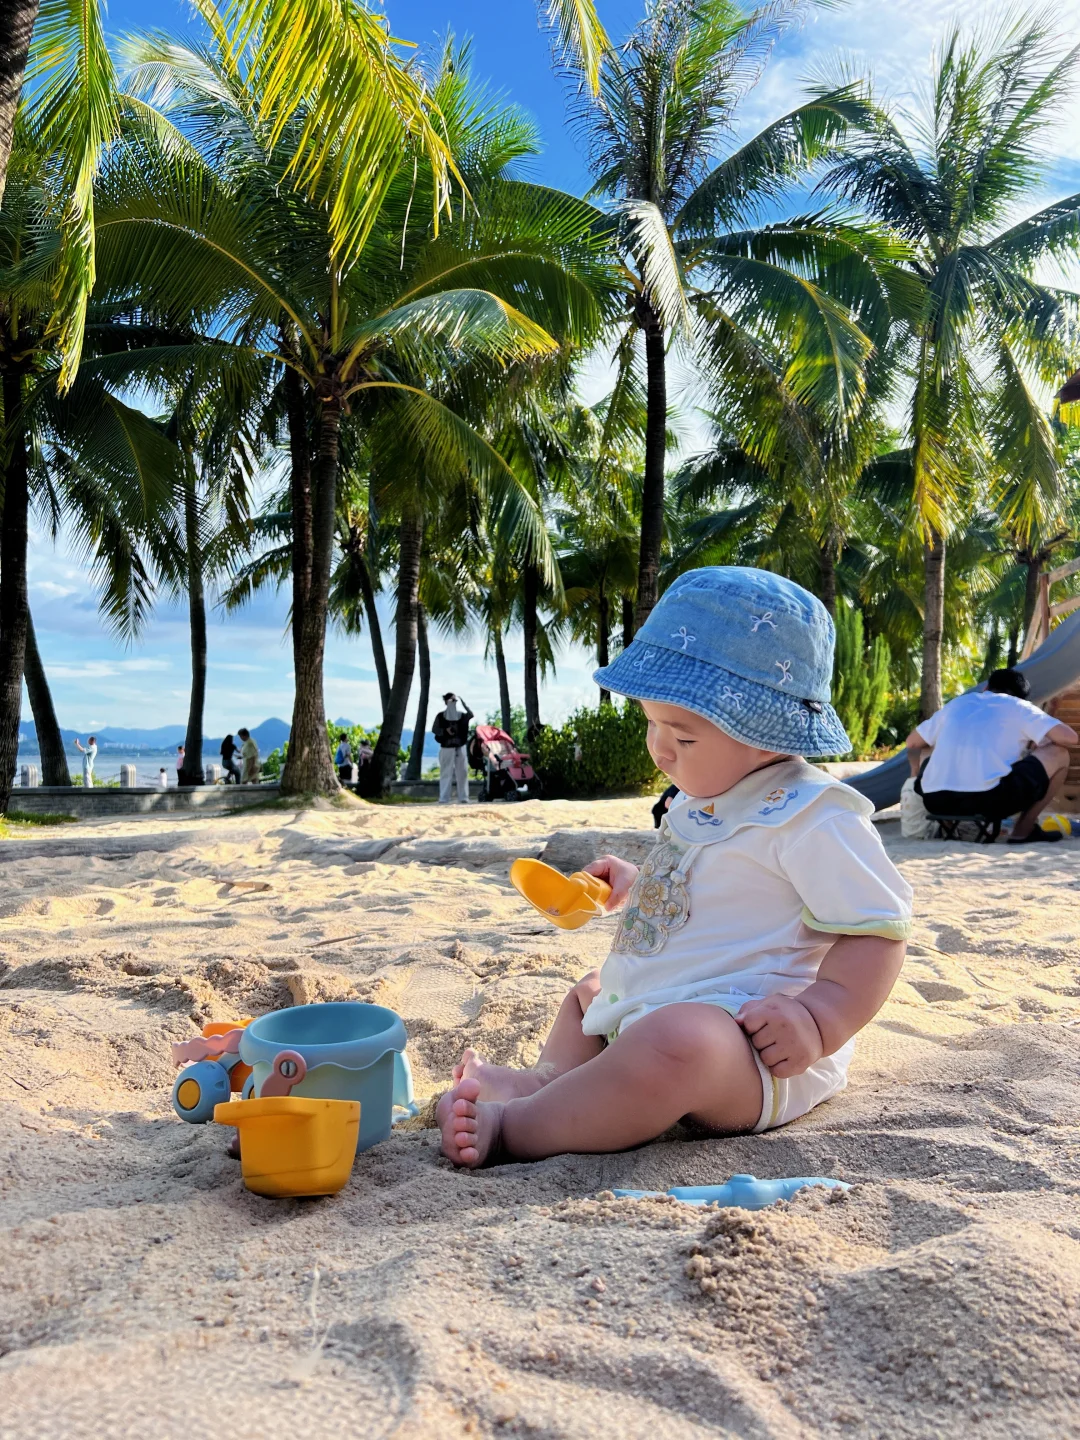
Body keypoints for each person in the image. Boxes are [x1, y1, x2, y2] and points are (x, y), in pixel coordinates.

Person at [438, 567, 912, 1168]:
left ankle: (518, 1128)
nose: (660, 749)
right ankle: (550, 1083)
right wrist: (643, 888)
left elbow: (878, 929)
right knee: (590, 997)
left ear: (764, 732)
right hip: (660, 1005)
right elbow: (718, 893)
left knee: (675, 1043)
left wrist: (819, 1020)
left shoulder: (814, 815)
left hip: (747, 1045)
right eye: (650, 724)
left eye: (683, 737)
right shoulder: (702, 796)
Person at [905, 668, 1078, 843]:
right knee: (1059, 754)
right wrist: (1042, 739)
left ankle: (949, 826)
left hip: (936, 802)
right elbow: (1070, 738)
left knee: (928, 749)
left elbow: (912, 742)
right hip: (988, 801)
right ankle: (1023, 830)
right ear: (1020, 697)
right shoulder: (1019, 706)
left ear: (986, 687)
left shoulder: (958, 703)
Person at [433, 692, 473, 804]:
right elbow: (435, 729)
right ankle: (444, 797)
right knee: (446, 772)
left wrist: (463, 702)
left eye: (455, 701)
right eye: (451, 700)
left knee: (463, 772)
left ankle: (464, 797)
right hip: (446, 746)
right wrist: (445, 731)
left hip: (460, 746)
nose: (453, 703)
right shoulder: (441, 716)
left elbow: (471, 715)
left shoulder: (461, 716)